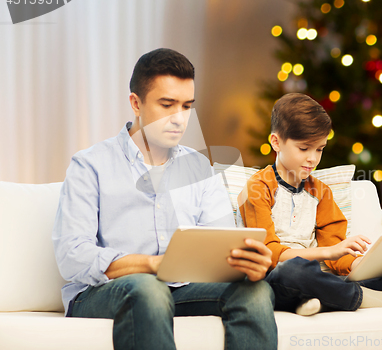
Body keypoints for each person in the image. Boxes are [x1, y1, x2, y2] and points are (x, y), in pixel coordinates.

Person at [52, 48, 277, 350]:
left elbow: (221, 243)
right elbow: (72, 256)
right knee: (147, 287)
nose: (179, 118)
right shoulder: (90, 165)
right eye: (167, 104)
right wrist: (152, 264)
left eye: (186, 106)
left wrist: (247, 262)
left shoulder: (199, 168)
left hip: (178, 290)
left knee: (256, 291)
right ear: (136, 103)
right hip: (101, 293)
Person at [238, 93, 382, 316]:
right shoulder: (258, 188)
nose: (313, 159)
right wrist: (328, 252)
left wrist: (378, 263)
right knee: (295, 270)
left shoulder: (321, 192)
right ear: (276, 142)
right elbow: (270, 254)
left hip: (319, 278)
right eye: (304, 148)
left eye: (319, 149)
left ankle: (321, 300)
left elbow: (338, 255)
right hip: (278, 277)